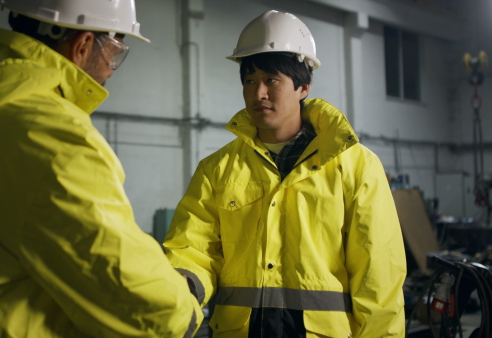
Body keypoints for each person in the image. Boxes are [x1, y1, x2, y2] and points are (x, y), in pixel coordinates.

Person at [0, 0, 202, 337]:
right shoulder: (51, 137)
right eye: (114, 53)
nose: (111, 69)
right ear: (83, 46)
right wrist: (186, 302)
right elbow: (138, 301)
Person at [163, 10, 406, 337]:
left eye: (271, 80)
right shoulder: (217, 170)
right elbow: (194, 248)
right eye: (250, 81)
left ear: (303, 86)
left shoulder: (356, 167)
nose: (258, 93)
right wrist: (184, 283)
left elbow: (378, 276)